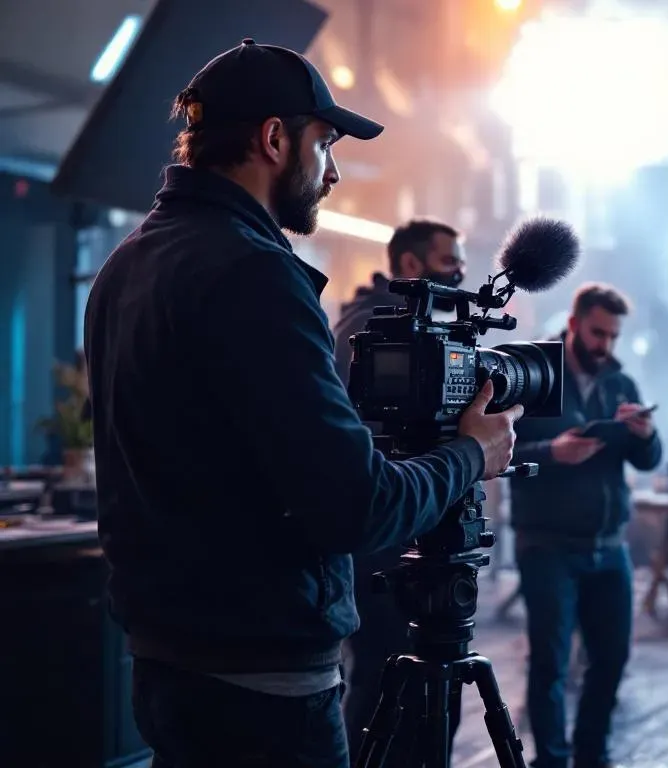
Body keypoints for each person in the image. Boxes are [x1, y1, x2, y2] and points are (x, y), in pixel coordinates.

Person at [82, 39, 522, 768]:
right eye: (325, 143)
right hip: (263, 688)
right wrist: (470, 454)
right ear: (274, 138)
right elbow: (359, 507)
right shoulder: (255, 274)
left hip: (166, 662)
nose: (334, 170)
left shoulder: (126, 265)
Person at [508, 283, 663, 768]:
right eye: (598, 333)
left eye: (614, 336)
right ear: (573, 324)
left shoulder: (620, 381)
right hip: (547, 542)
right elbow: (499, 454)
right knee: (551, 664)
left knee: (612, 660)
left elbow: (648, 459)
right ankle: (551, 760)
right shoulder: (535, 374)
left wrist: (647, 434)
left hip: (608, 543)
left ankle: (592, 755)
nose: (606, 346)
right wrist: (552, 453)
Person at [331, 217, 469, 746]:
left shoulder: (435, 325)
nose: (460, 269)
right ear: (411, 265)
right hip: (385, 530)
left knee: (439, 682)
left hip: (425, 520)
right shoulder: (370, 329)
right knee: (383, 677)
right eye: (449, 258)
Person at [331, 217, 467, 382]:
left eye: (461, 264)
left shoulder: (417, 320)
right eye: (449, 261)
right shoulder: (368, 324)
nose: (459, 274)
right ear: (410, 263)